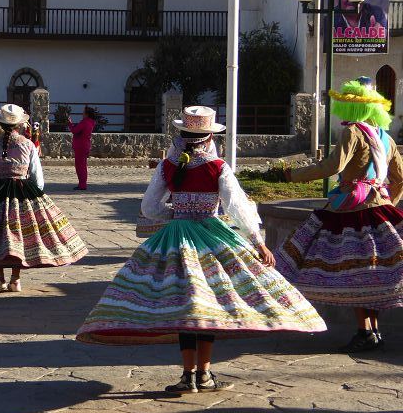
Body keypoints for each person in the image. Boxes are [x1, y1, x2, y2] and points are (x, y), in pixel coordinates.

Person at [77, 106, 326, 394]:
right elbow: (237, 208)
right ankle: (204, 374)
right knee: (209, 306)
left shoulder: (168, 166)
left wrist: (176, 214)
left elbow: (150, 207)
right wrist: (257, 242)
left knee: (186, 306)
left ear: (182, 135)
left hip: (176, 239)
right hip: (213, 238)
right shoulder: (218, 167)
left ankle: (187, 375)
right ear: (209, 137)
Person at [276, 79, 403, 353]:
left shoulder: (353, 132)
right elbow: (400, 178)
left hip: (350, 211)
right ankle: (374, 331)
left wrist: (291, 175)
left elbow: (332, 166)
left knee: (352, 271)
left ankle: (365, 331)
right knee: (372, 272)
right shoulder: (387, 138)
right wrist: (386, 203)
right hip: (380, 209)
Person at [0, 103, 88, 293]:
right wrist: (35, 193)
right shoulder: (28, 144)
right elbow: (37, 177)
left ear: (0, 123)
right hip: (22, 193)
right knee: (18, 236)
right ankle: (15, 279)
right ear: (19, 124)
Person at [68, 106, 96, 190]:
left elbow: (75, 131)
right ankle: (82, 184)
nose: (82, 114)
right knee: (83, 166)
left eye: (83, 112)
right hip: (85, 145)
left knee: (80, 166)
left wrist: (70, 123)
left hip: (80, 146)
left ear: (87, 114)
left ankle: (82, 185)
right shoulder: (91, 122)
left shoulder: (84, 122)